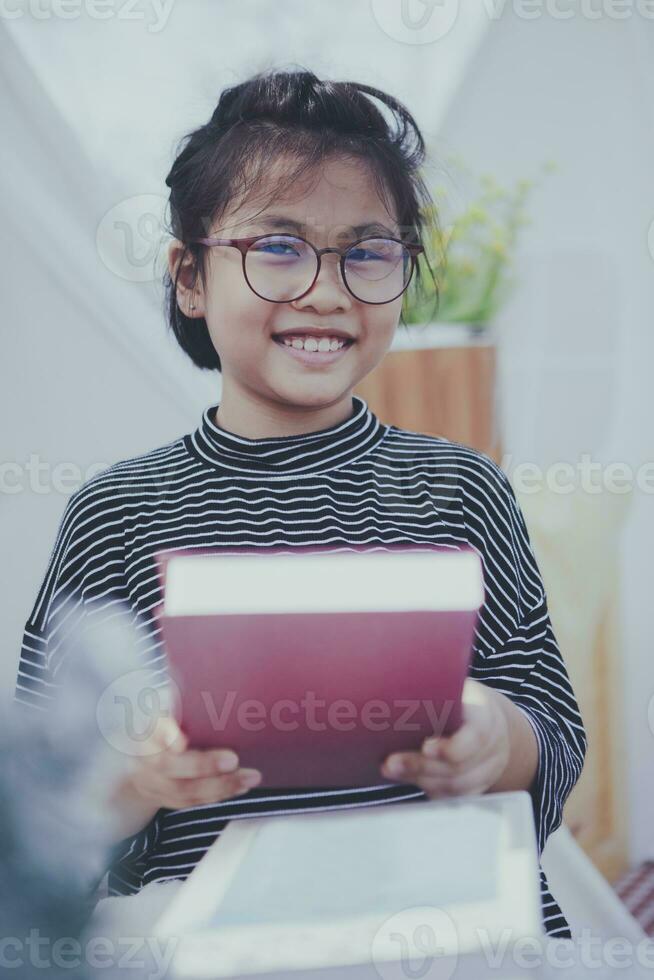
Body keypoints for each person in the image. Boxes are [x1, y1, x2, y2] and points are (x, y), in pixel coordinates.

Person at [14, 66, 587, 939]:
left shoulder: (459, 488)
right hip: (214, 940)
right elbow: (45, 806)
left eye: (368, 250)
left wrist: (493, 738)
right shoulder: (119, 511)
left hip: (445, 926)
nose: (326, 289)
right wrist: (141, 779)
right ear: (191, 278)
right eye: (277, 246)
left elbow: (551, 725)